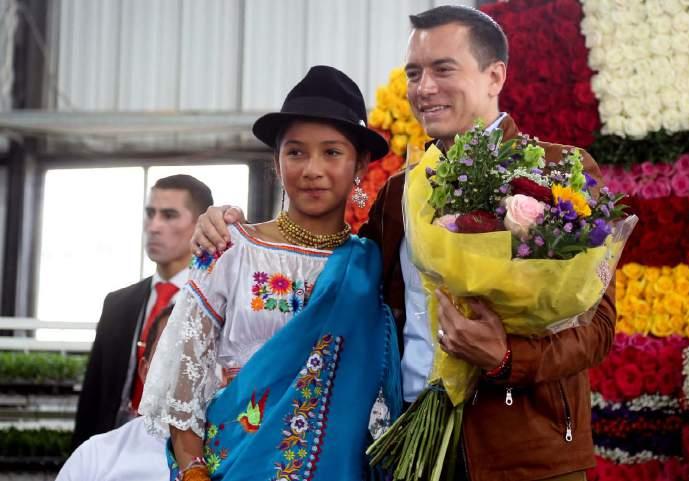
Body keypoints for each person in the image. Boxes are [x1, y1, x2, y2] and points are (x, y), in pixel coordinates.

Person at [192, 6, 616, 481]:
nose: (424, 87)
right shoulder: (400, 191)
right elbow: (337, 274)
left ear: (494, 76)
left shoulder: (558, 172)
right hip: (410, 448)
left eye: (443, 69)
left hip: (527, 454)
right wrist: (231, 227)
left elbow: (597, 327)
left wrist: (507, 358)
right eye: (414, 73)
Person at [140, 65, 401, 481]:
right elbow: (182, 385)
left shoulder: (372, 265)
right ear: (276, 163)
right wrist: (192, 471)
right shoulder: (229, 249)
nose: (311, 169)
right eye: (296, 152)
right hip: (234, 466)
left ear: (360, 164)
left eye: (332, 152)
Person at [73, 175, 213, 448]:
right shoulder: (118, 303)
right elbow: (93, 397)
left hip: (190, 452)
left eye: (169, 215)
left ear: (200, 224)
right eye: (150, 213)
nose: (154, 226)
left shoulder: (215, 302)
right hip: (114, 450)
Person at [58, 305, 174, 481]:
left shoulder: (221, 456)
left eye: (199, 350)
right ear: (145, 371)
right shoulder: (94, 458)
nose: (183, 364)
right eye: (170, 350)